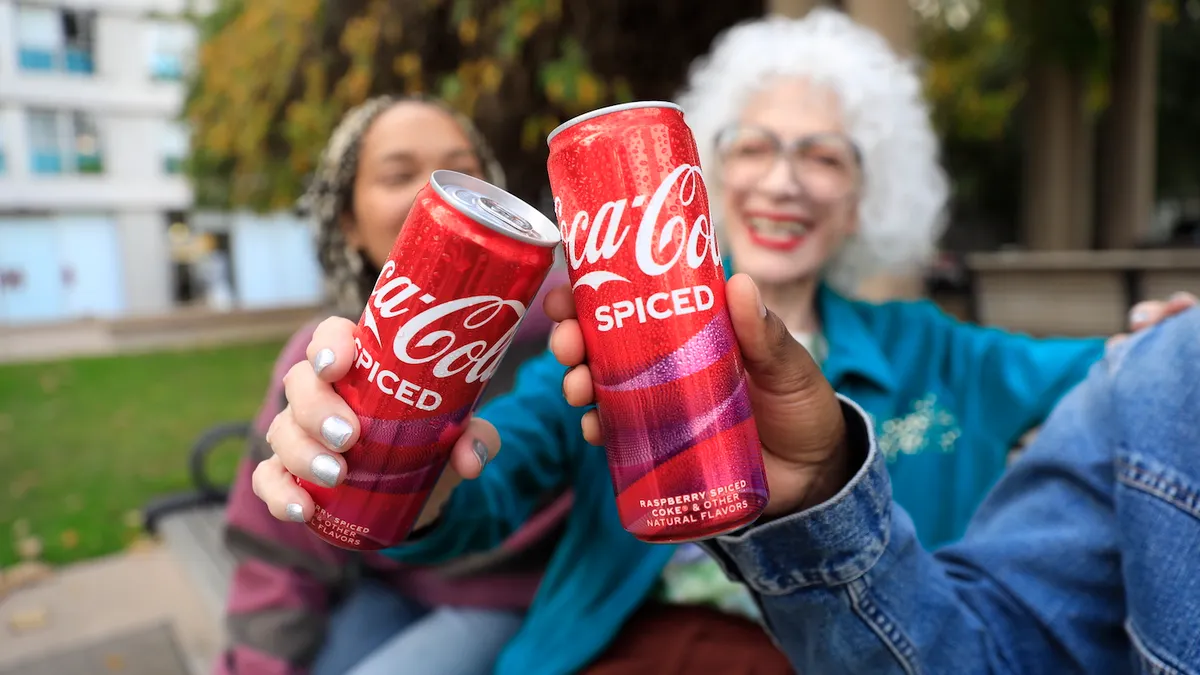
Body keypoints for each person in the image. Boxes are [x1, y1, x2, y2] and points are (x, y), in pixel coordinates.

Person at [249, 11, 1195, 675]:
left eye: (824, 154)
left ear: (867, 194)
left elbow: (1114, 377)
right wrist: (408, 479)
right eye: (753, 146)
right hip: (619, 652)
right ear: (698, 176)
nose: (784, 181)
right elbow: (484, 490)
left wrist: (1161, 338)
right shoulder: (611, 339)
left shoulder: (943, 355)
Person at [216, 95, 569, 675]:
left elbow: (522, 467)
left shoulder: (562, 331)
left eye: (463, 171)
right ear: (348, 222)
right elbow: (278, 554)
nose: (426, 192)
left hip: (516, 598)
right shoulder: (321, 356)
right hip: (384, 579)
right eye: (398, 175)